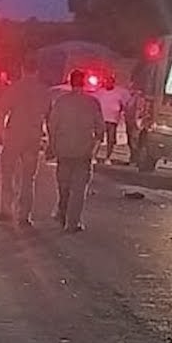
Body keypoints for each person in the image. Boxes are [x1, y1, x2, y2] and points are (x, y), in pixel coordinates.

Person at [0, 57, 53, 226]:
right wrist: (50, 141)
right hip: (33, 138)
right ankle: (24, 215)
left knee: (7, 173)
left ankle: (6, 210)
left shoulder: (15, 88)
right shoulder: (44, 91)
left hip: (14, 136)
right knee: (28, 177)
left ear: (23, 69)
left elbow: (1, 112)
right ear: (37, 71)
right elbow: (49, 118)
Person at [47, 69, 105, 233]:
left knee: (63, 185)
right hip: (83, 150)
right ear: (84, 82)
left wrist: (52, 145)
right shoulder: (92, 102)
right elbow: (100, 127)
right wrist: (97, 142)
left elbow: (52, 125)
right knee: (78, 189)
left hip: (63, 149)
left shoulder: (61, 101)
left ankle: (62, 210)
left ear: (70, 82)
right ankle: (72, 223)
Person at [94, 75, 126, 164]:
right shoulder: (100, 92)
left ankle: (108, 157)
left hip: (113, 120)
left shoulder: (118, 93)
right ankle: (93, 156)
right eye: (107, 81)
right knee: (98, 138)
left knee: (111, 140)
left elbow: (124, 105)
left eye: (110, 81)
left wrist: (120, 113)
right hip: (101, 119)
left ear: (113, 82)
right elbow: (94, 102)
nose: (108, 83)